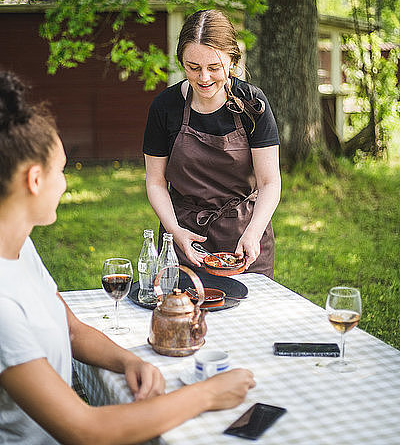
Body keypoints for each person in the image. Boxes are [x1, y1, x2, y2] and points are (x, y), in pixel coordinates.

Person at [0, 70, 255, 445]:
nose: (65, 183)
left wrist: (128, 360)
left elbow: (71, 329)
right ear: (34, 180)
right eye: (62, 170)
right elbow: (86, 430)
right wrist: (208, 394)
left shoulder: (19, 249)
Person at [144, 9, 281, 277]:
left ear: (232, 60)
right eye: (193, 67)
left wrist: (252, 233)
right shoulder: (165, 107)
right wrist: (175, 232)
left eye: (214, 67)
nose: (203, 78)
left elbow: (269, 182)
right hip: (184, 235)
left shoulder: (253, 104)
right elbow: (155, 181)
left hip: (246, 235)